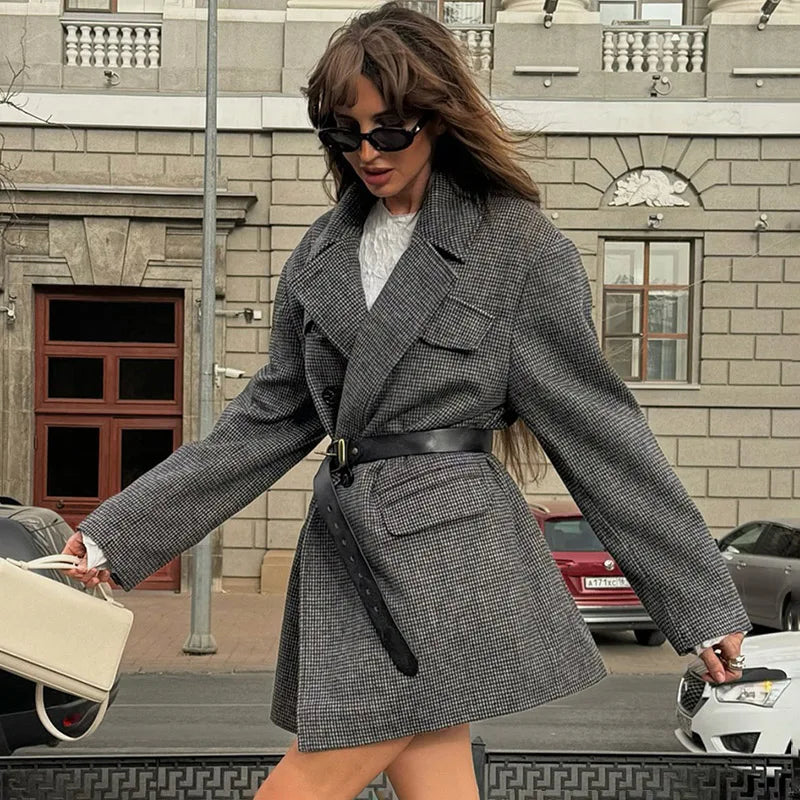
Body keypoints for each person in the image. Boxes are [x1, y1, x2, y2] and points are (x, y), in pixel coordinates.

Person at [64, 3, 751, 798]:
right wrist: (113, 539)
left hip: (448, 563)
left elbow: (601, 435)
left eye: (388, 130)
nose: (366, 152)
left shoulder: (517, 247)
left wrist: (699, 600)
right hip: (347, 553)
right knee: (436, 781)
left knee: (307, 784)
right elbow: (259, 426)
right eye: (343, 133)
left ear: (438, 117)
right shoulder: (318, 255)